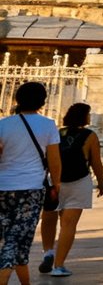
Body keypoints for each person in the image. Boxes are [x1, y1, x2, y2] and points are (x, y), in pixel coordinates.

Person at [0, 82, 60, 285]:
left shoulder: (3, 124)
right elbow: (54, 160)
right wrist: (56, 184)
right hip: (31, 188)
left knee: (13, 236)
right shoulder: (48, 125)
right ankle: (3, 275)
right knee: (17, 238)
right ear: (43, 100)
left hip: (3, 187)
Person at [37, 103, 103, 278]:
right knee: (68, 224)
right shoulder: (90, 136)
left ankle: (48, 252)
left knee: (49, 218)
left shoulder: (57, 132)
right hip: (78, 181)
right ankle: (58, 266)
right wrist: (101, 183)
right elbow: (96, 162)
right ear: (84, 117)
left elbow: (46, 157)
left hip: (55, 180)